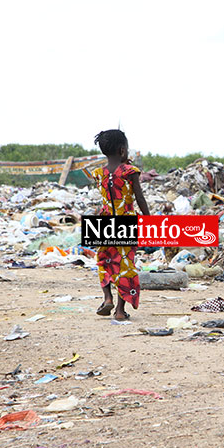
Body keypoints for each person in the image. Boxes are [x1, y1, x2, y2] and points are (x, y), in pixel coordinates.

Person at [92, 129, 150, 320]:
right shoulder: (130, 172)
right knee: (125, 265)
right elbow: (139, 198)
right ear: (123, 150)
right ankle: (119, 310)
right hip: (126, 221)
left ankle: (107, 298)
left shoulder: (99, 173)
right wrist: (149, 219)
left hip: (104, 221)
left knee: (104, 261)